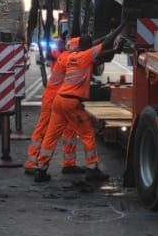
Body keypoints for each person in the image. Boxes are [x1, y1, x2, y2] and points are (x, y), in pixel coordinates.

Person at [33, 27, 120, 183]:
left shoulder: (70, 56)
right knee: (87, 133)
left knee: (51, 135)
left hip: (59, 101)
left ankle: (41, 169)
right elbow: (104, 45)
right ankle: (92, 169)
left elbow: (97, 46)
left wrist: (109, 42)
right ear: (88, 48)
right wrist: (121, 28)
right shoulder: (86, 56)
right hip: (72, 103)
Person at [24, 38, 78, 173]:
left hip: (63, 98)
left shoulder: (64, 54)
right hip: (52, 98)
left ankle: (69, 163)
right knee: (43, 129)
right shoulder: (64, 56)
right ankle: (31, 162)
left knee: (70, 131)